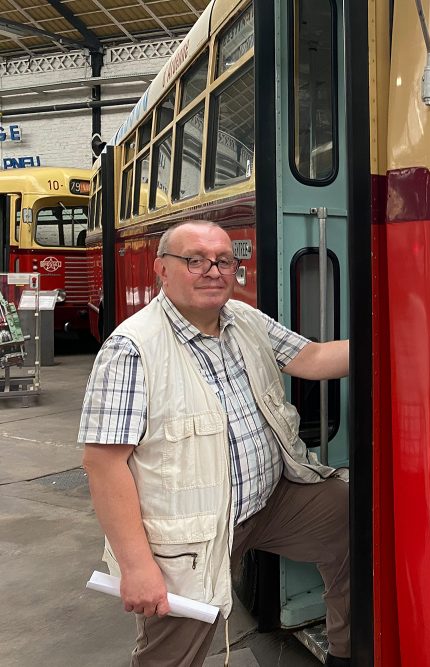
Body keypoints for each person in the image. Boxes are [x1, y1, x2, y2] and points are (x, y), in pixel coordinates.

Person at [80, 220, 351, 667]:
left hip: (268, 502)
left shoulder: (242, 318)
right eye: (195, 260)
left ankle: (347, 652)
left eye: (224, 260)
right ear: (162, 270)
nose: (213, 271)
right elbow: (103, 464)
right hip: (191, 532)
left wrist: (391, 336)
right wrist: (137, 567)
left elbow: (312, 358)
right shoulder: (132, 349)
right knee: (170, 655)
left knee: (351, 516)